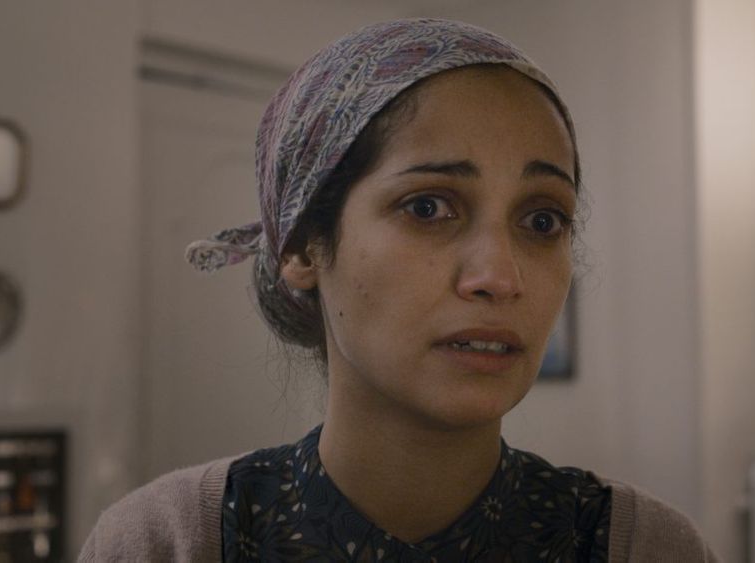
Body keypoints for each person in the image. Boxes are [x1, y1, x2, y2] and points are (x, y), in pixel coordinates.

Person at [79, 18, 717, 562]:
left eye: (542, 220)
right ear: (301, 245)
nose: (500, 278)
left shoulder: (646, 547)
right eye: (428, 207)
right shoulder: (166, 543)